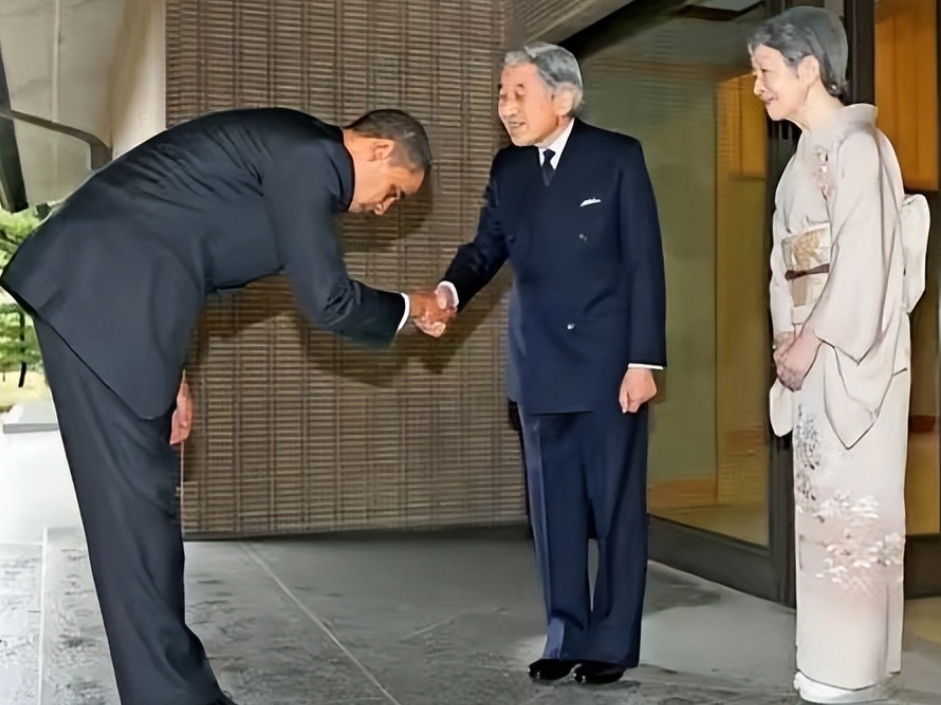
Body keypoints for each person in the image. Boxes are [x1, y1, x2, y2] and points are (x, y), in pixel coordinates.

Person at [0, 107, 450, 705]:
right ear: (375, 150)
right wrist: (413, 306)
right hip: (99, 299)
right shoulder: (310, 158)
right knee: (132, 529)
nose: (385, 209)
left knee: (144, 525)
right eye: (394, 192)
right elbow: (329, 301)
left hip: (122, 309)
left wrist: (175, 372)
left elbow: (183, 248)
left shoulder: (296, 157)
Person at [419, 43, 666, 686]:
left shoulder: (617, 156)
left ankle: (609, 643)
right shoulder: (509, 170)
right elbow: (484, 249)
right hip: (538, 364)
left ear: (564, 97)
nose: (505, 108)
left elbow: (643, 264)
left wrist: (644, 360)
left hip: (611, 365)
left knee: (613, 509)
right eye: (501, 94)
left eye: (517, 93)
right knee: (552, 510)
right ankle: (565, 635)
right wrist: (448, 292)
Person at [750, 7, 927, 703]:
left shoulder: (858, 148)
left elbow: (863, 264)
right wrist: (785, 336)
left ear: (808, 70)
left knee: (854, 511)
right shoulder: (806, 157)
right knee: (823, 510)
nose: (758, 86)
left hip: (847, 354)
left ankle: (847, 668)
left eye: (766, 72)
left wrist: (810, 335)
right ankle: (827, 660)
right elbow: (784, 269)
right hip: (813, 350)